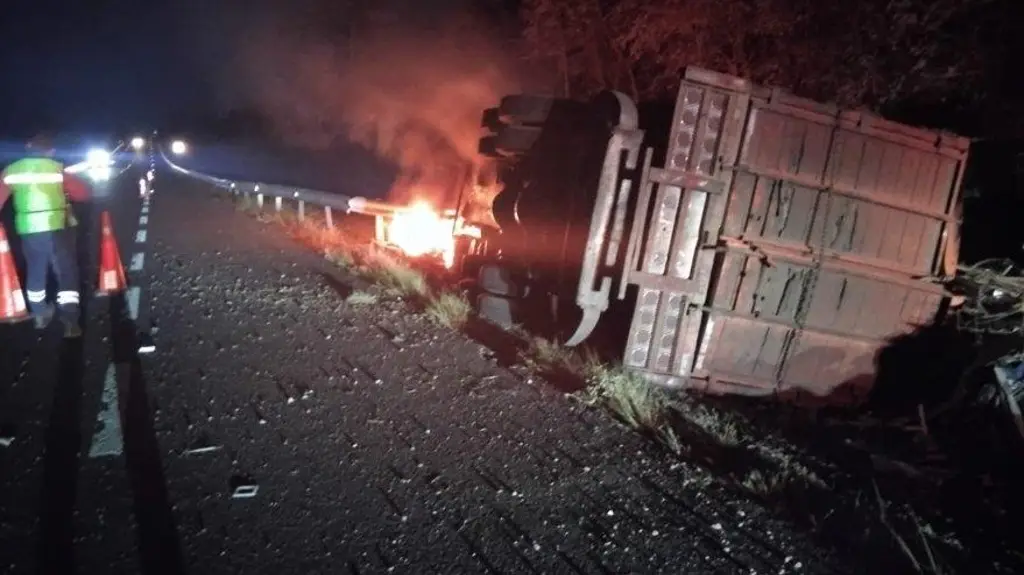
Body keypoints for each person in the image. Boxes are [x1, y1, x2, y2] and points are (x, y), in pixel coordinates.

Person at [0, 133, 92, 338]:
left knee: (35, 270)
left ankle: (40, 314)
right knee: (65, 272)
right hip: (57, 228)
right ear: (51, 151)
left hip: (29, 229)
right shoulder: (56, 168)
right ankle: (70, 322)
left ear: (27, 148)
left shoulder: (12, 170)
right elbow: (83, 194)